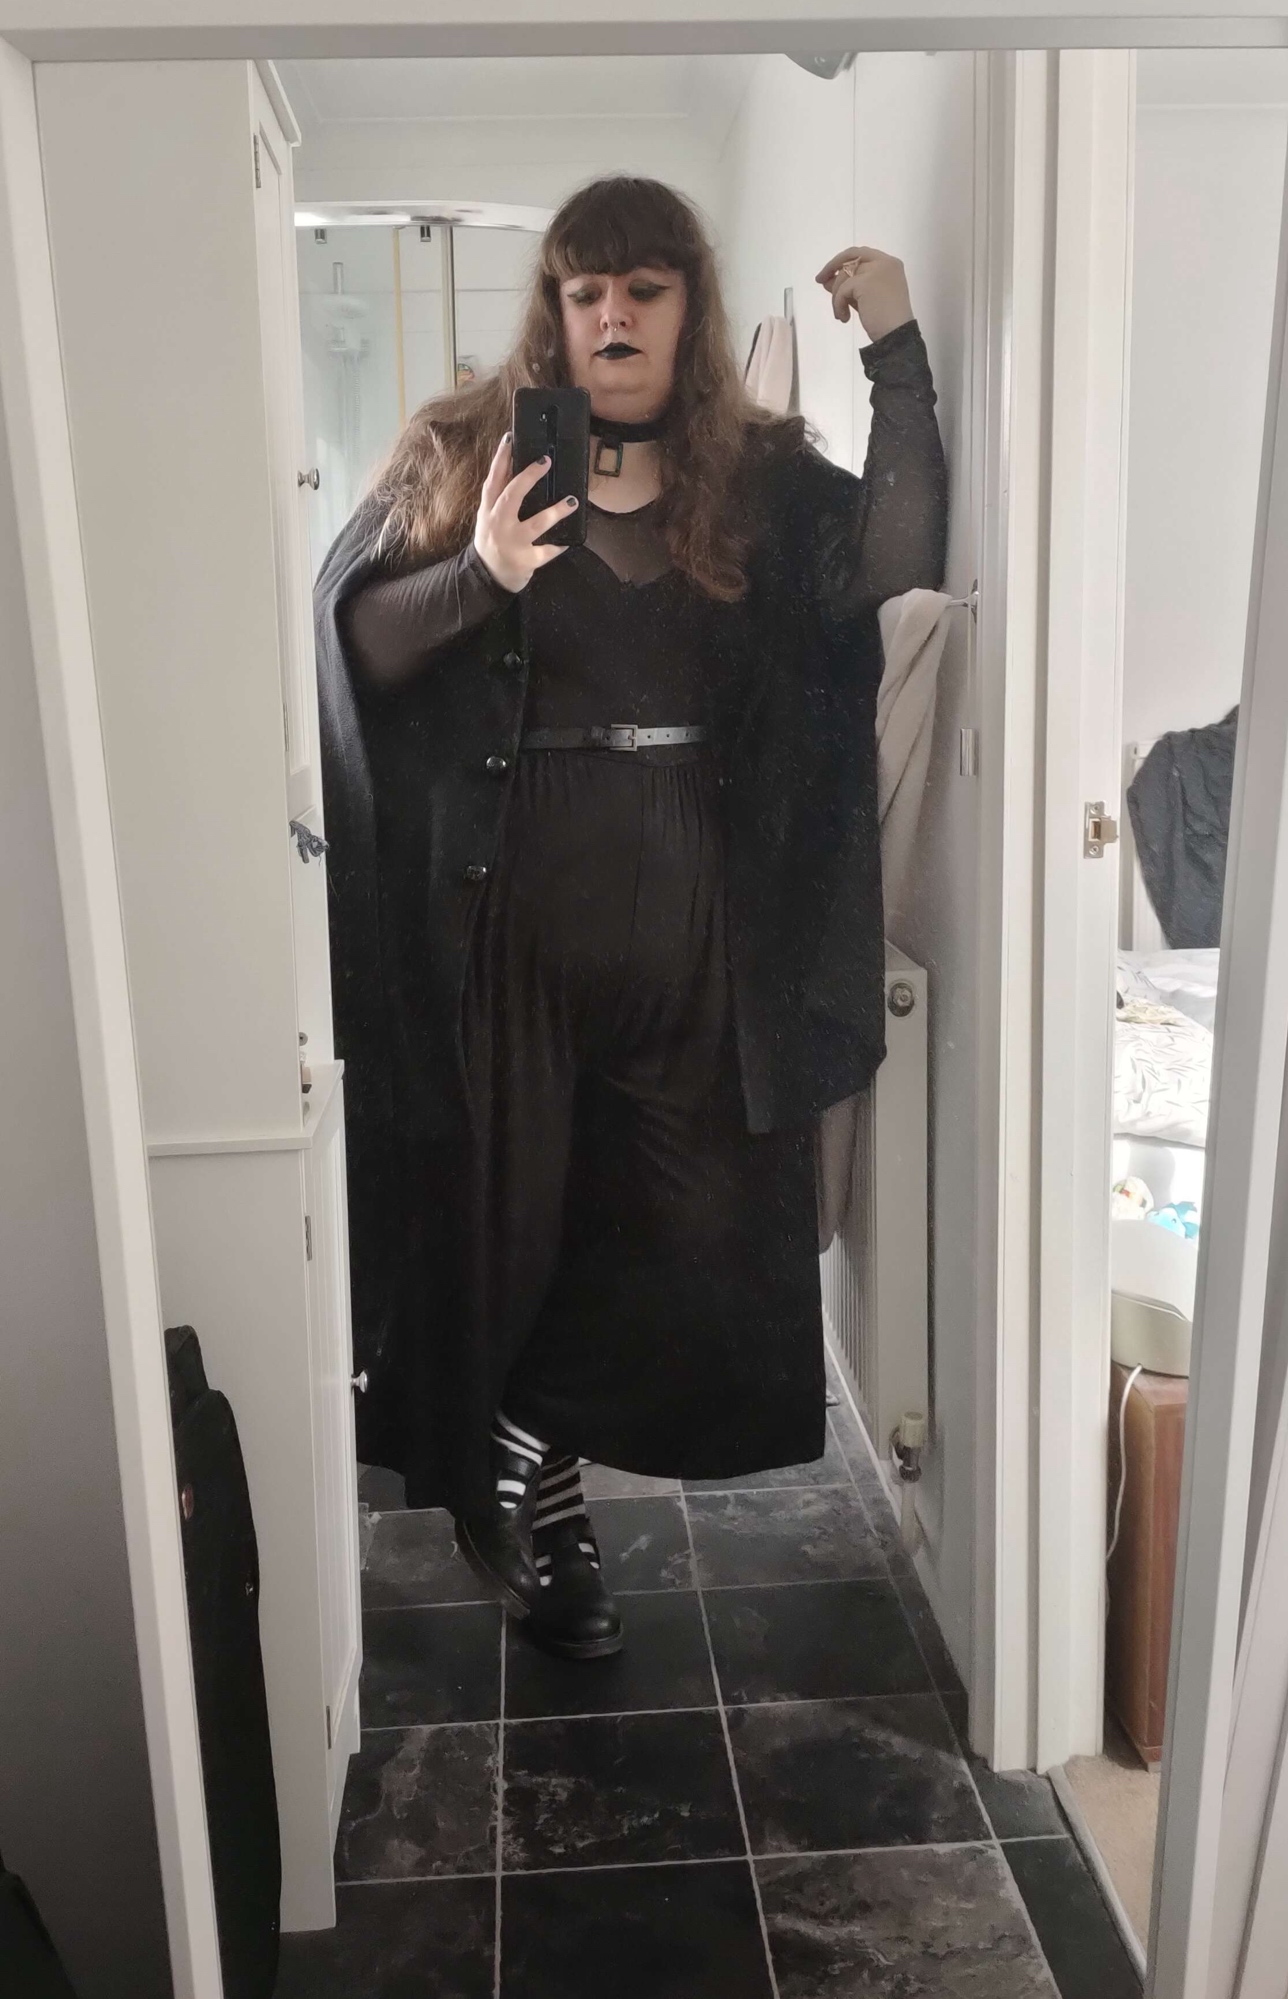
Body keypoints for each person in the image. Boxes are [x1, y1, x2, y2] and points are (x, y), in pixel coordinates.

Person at [314, 176, 947, 1661]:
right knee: (512, 1229)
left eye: (643, 290)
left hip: (700, 936)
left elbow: (896, 556)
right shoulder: (464, 449)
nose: (612, 317)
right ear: (555, 307)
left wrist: (898, 350)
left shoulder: (761, 477)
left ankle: (519, 1438)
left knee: (691, 1232)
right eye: (586, 290)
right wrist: (480, 575)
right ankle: (551, 1525)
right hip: (508, 935)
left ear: (686, 308)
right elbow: (358, 638)